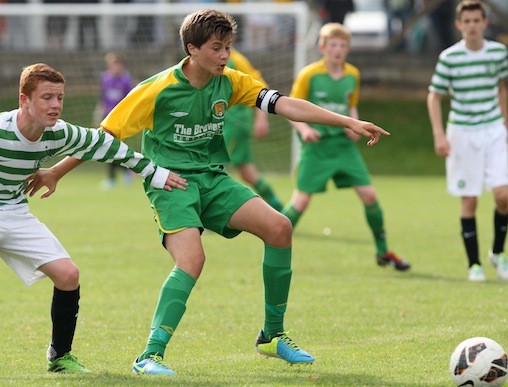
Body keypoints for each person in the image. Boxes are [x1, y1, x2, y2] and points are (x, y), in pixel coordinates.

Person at [27, 9, 389, 376]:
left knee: (280, 228)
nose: (224, 56)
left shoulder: (231, 81)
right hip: (170, 183)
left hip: (213, 179)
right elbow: (105, 136)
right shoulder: (157, 89)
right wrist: (57, 170)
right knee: (192, 261)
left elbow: (285, 104)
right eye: (216, 48)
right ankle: (148, 356)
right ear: (192, 49)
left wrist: (348, 121)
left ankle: (272, 335)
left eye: (228, 47)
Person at [0, 63, 186, 376]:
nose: (55, 105)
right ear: (24, 100)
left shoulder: (58, 132)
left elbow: (105, 145)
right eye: (46, 97)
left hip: (13, 210)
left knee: (68, 274)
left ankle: (60, 356)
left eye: (59, 98)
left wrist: (154, 173)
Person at [281, 22, 411, 272]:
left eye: (343, 45)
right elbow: (291, 108)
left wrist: (355, 125)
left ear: (348, 48)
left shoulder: (353, 74)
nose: (338, 50)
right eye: (333, 45)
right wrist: (305, 129)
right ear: (322, 47)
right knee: (300, 202)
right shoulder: (309, 74)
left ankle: (383, 252)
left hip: (343, 147)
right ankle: (273, 240)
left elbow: (350, 105)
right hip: (317, 148)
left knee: (370, 196)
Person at [426, 0, 508, 282]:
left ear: (485, 23)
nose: (472, 26)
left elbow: (502, 87)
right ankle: (474, 264)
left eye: (477, 20)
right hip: (462, 132)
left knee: (503, 196)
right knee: (469, 200)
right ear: (459, 25)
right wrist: (439, 134)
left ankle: (498, 253)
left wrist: (505, 124)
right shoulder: (450, 57)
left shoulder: (498, 53)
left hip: (494, 130)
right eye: (467, 21)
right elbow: (434, 96)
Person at [223, 48, 283, 211]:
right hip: (225, 122)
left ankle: (212, 214)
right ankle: (277, 207)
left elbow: (261, 88)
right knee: (246, 171)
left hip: (234, 122)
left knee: (213, 166)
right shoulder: (208, 58)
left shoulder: (237, 60)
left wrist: (261, 118)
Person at [95, 52, 136, 189]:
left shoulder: (126, 81)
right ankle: (124, 174)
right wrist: (98, 112)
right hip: (106, 117)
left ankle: (115, 178)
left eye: (118, 65)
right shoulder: (105, 78)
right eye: (113, 64)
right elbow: (103, 97)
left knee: (112, 148)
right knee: (108, 148)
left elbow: (131, 99)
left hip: (120, 119)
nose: (116, 68)